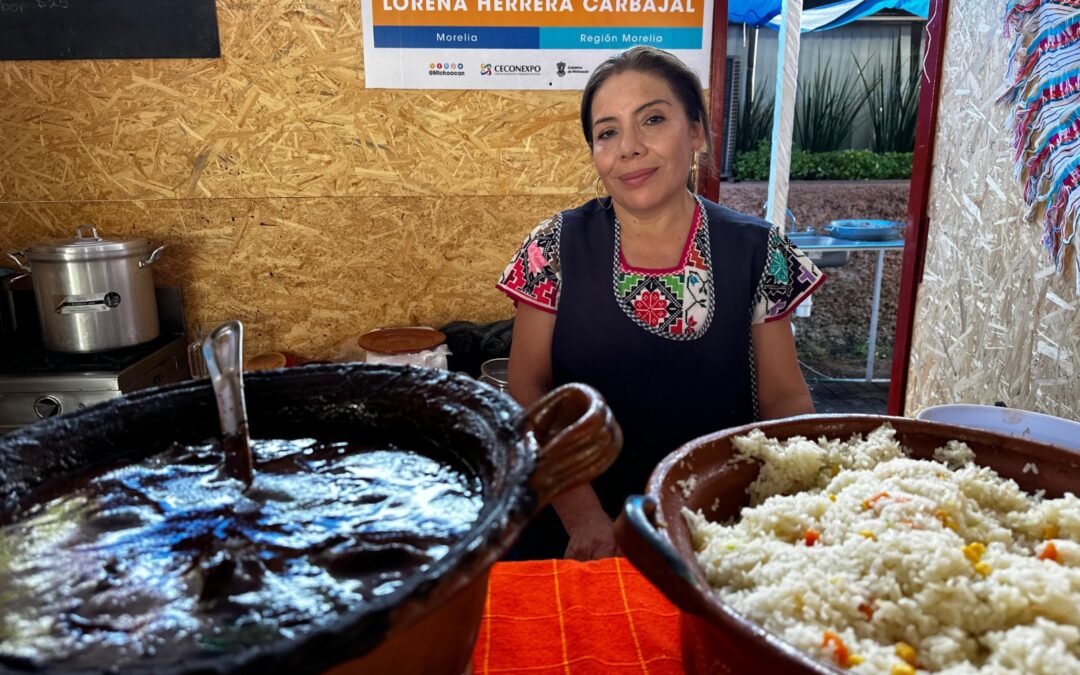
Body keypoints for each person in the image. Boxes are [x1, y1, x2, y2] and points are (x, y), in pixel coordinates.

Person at [496, 46, 822, 561]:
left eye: (652, 119)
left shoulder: (756, 249)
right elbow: (527, 390)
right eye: (607, 132)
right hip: (575, 530)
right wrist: (585, 518)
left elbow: (785, 401)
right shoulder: (553, 247)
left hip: (716, 528)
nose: (628, 147)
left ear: (695, 132)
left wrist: (787, 506)